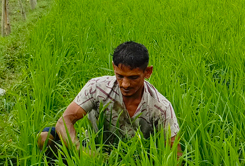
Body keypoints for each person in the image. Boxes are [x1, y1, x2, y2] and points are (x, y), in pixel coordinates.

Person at [39, 41, 180, 152]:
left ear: (147, 72)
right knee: (44, 138)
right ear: (113, 67)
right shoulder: (97, 87)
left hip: (133, 157)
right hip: (92, 146)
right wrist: (82, 151)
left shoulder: (160, 107)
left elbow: (175, 154)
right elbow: (64, 121)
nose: (125, 84)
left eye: (133, 78)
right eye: (120, 76)